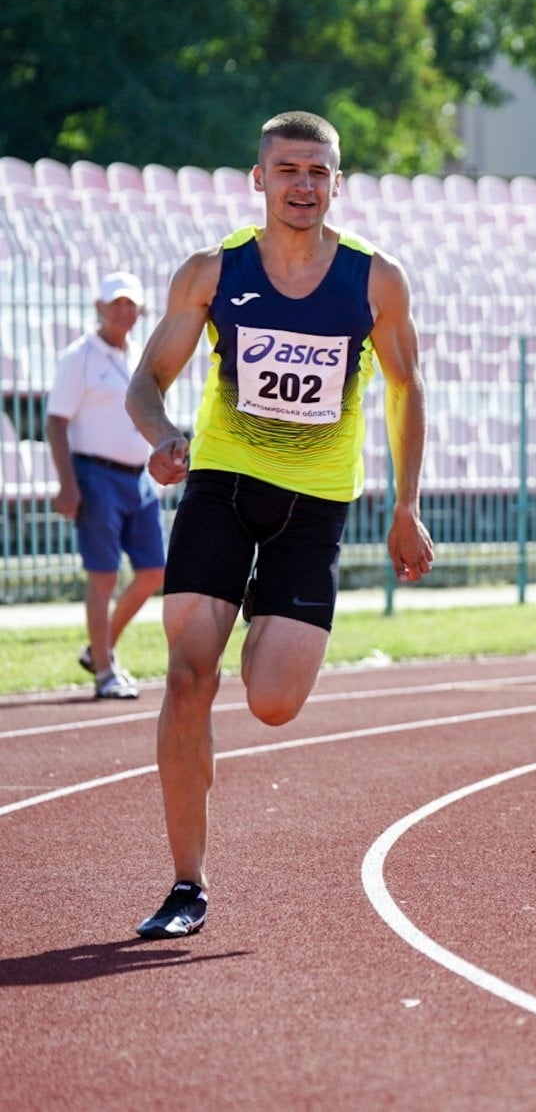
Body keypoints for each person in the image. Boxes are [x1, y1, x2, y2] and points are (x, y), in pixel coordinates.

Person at [124, 110, 434, 939]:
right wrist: (162, 439)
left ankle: (265, 599)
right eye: (288, 170)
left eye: (318, 172)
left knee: (271, 704)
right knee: (190, 679)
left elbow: (405, 393)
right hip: (223, 483)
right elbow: (147, 381)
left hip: (316, 503)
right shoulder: (212, 272)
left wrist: (405, 507)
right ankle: (186, 884)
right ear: (259, 179)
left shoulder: (375, 281)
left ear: (339, 183)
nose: (303, 185)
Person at [46, 271, 167, 699]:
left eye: (130, 303)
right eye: (116, 302)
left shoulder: (139, 355)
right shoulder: (79, 356)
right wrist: (68, 484)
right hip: (95, 476)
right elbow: (56, 420)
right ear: (99, 307)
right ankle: (103, 673)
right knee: (104, 576)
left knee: (154, 571)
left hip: (139, 479)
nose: (123, 310)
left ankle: (100, 650)